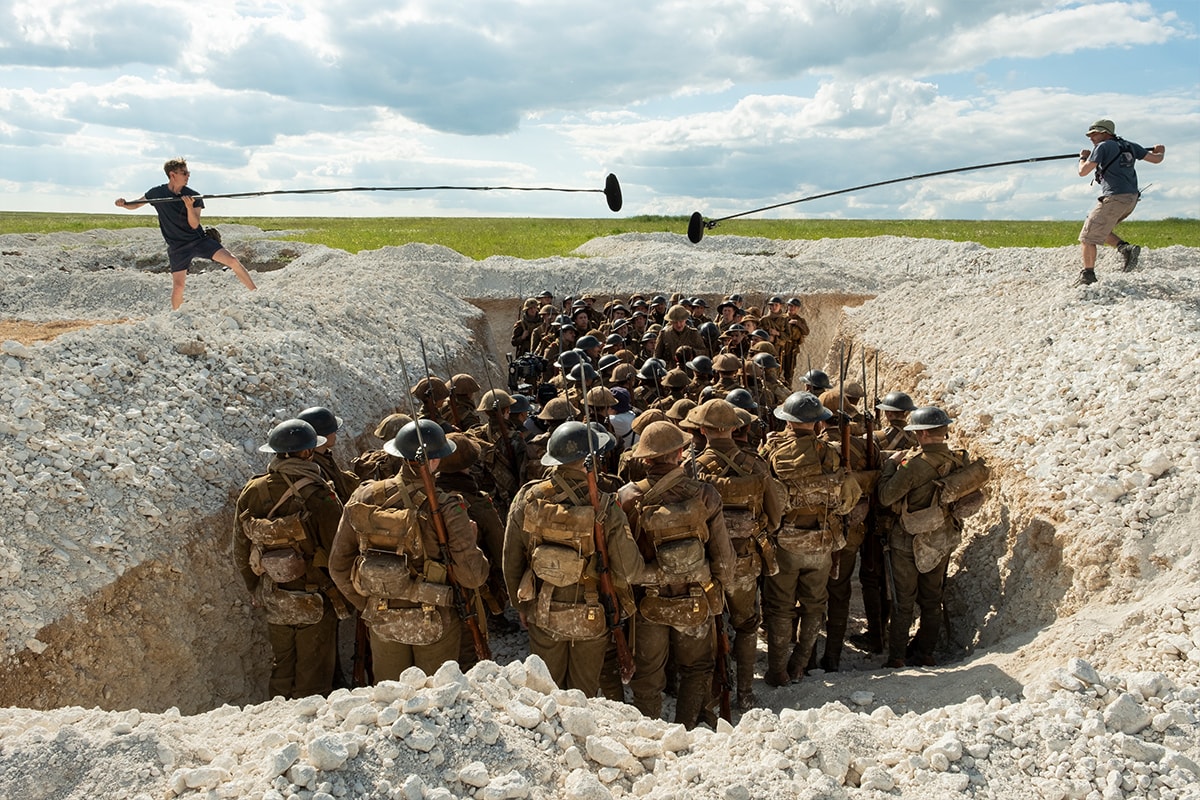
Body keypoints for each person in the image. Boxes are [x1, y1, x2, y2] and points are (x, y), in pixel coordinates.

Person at [502, 420, 658, 698]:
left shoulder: (528, 497)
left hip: (543, 608)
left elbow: (512, 560)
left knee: (545, 694)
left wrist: (522, 606)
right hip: (592, 613)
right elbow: (630, 570)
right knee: (581, 696)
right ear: (592, 458)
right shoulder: (605, 506)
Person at [328, 420, 490, 680]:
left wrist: (368, 604)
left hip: (382, 616)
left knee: (392, 700)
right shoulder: (447, 506)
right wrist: (473, 539)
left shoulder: (364, 497)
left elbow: (338, 566)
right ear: (436, 460)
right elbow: (472, 577)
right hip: (435, 619)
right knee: (435, 701)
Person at [618, 421, 735, 728]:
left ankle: (652, 736)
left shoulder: (628, 498)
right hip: (695, 599)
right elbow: (723, 556)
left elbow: (620, 554)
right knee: (697, 667)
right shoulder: (705, 495)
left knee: (647, 678)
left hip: (648, 603)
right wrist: (720, 591)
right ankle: (685, 729)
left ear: (645, 459)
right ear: (681, 454)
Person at [233, 419, 346, 699]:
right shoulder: (320, 493)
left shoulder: (253, 491)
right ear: (308, 453)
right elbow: (339, 550)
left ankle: (278, 716)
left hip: (274, 595)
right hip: (315, 598)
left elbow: (240, 548)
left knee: (282, 667)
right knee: (315, 674)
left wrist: (255, 588)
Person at [760, 392, 861, 686]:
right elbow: (847, 502)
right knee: (814, 606)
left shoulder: (773, 454)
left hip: (786, 543)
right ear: (817, 423)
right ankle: (800, 665)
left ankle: (777, 669)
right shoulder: (832, 455)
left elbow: (766, 498)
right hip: (822, 543)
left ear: (788, 422)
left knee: (780, 607)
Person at [876, 407, 989, 668]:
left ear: (923, 433)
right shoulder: (959, 460)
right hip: (942, 537)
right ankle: (926, 652)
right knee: (932, 599)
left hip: (907, 541)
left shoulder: (913, 465)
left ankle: (897, 658)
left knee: (904, 602)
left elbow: (885, 497)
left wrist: (891, 466)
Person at [689, 400, 782, 710]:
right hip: (744, 562)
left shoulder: (694, 467)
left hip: (705, 564)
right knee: (746, 626)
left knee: (710, 627)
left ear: (702, 430)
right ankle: (743, 693)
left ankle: (710, 695)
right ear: (735, 428)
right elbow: (776, 515)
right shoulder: (756, 465)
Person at [115, 158, 257, 309]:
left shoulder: (194, 196)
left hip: (199, 241)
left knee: (233, 261)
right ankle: (176, 316)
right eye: (184, 173)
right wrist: (124, 204)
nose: (188, 175)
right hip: (178, 247)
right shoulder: (156, 193)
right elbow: (136, 204)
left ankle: (256, 295)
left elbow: (194, 224)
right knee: (178, 286)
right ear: (172, 175)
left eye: (188, 172)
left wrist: (189, 206)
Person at [1075, 119, 1166, 286]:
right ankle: (1126, 249)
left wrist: (1083, 157)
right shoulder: (1130, 145)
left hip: (1114, 198)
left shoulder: (1102, 147)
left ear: (1106, 133)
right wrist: (1161, 151)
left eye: (1094, 133)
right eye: (1090, 134)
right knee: (1100, 227)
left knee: (1087, 236)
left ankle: (1088, 276)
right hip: (1130, 198)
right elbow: (1156, 159)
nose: (1091, 137)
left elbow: (1083, 171)